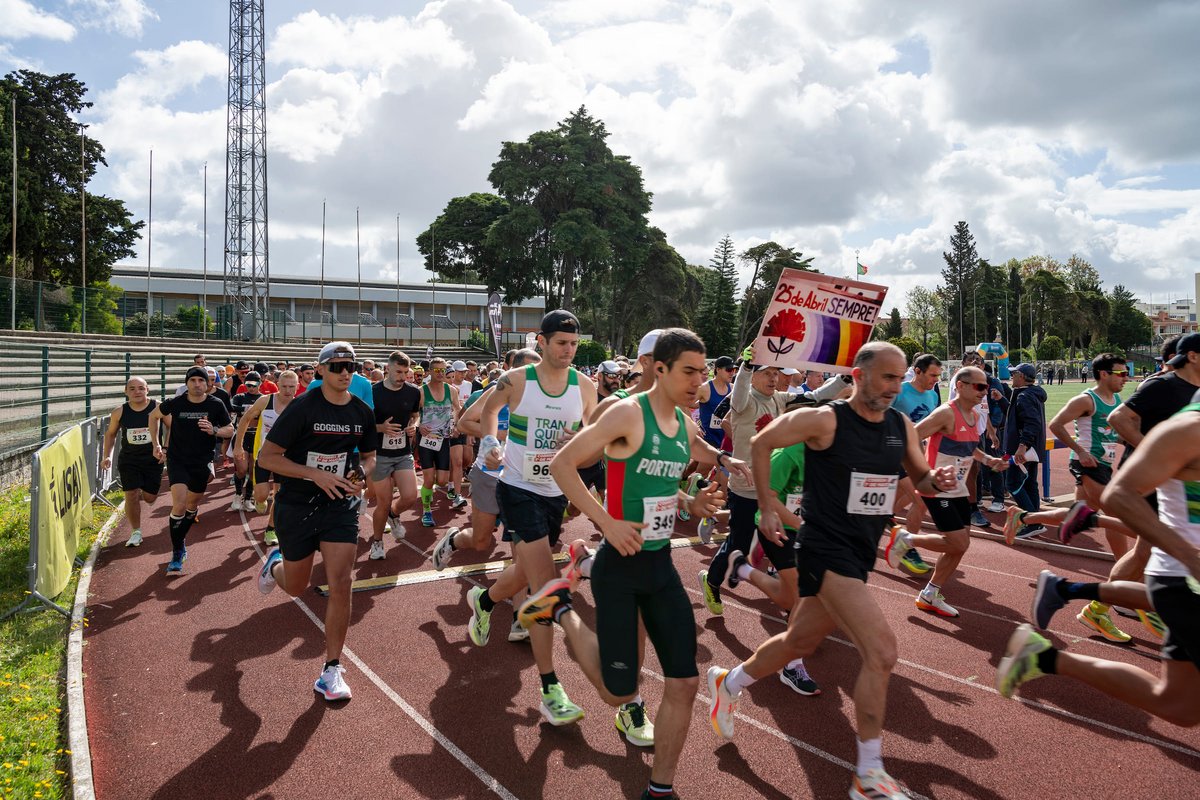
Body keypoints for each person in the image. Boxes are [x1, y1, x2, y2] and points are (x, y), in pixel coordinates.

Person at [706, 342, 957, 800]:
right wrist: (765, 508)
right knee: (881, 652)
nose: (894, 386)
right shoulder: (825, 419)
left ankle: (730, 681)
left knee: (799, 641)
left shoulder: (900, 425)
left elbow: (918, 476)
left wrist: (933, 482)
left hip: (860, 551)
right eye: (886, 377)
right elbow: (762, 443)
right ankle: (868, 774)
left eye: (899, 378)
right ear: (858, 376)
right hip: (824, 548)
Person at [522, 328, 733, 800]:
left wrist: (689, 505)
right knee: (619, 692)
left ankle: (660, 789)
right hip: (620, 564)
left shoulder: (684, 425)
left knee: (684, 681)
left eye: (703, 371)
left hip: (660, 567)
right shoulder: (626, 413)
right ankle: (558, 607)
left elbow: (658, 487)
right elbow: (562, 464)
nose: (700, 380)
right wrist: (606, 522)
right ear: (659, 368)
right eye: (690, 371)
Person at [996, 388, 1200, 729]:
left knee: (1178, 707)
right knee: (1126, 543)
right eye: (1117, 372)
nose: (1121, 377)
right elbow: (1120, 492)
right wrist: (1189, 557)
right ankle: (1066, 556)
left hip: (1176, 568)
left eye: (1124, 373)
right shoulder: (1188, 426)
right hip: (1182, 572)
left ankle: (1049, 645)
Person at [476, 310, 597, 726]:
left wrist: (577, 441)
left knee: (526, 573)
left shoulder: (585, 387)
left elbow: (593, 444)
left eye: (574, 344)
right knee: (544, 585)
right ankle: (550, 688)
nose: (568, 351)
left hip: (554, 492)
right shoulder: (517, 380)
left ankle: (485, 599)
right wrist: (491, 441)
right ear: (541, 342)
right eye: (561, 342)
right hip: (517, 488)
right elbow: (488, 411)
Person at [256, 341, 377, 702]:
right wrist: (313, 475)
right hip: (296, 503)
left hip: (339, 503)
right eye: (337, 366)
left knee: (342, 582)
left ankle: (331, 668)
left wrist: (361, 474)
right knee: (296, 586)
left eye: (350, 367)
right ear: (321, 369)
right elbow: (268, 457)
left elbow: (370, 458)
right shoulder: (301, 409)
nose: (345, 373)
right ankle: (275, 565)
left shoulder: (362, 411)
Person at [885, 366, 1009, 617]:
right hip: (936, 487)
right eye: (979, 386)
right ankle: (906, 540)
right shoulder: (945, 414)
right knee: (958, 541)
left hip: (959, 488)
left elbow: (970, 449)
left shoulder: (974, 416)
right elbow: (912, 437)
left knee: (960, 546)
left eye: (986, 386)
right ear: (960, 386)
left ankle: (930, 593)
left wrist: (988, 460)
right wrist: (923, 472)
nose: (984, 392)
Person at [699, 346, 796, 616]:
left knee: (778, 543)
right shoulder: (743, 402)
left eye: (776, 373)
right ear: (754, 376)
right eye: (767, 373)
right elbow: (739, 392)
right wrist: (747, 366)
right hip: (745, 488)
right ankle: (713, 581)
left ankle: (791, 599)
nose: (773, 379)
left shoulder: (779, 399)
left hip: (772, 489)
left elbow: (815, 397)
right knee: (738, 543)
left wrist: (843, 381)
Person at [149, 367, 234, 574]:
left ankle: (181, 540)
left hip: (202, 461)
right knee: (179, 505)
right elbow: (153, 415)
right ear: (186, 383)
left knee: (191, 505)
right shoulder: (176, 402)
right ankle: (177, 551)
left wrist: (213, 430)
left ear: (208, 384)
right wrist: (156, 444)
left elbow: (230, 429)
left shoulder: (215, 404)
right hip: (178, 460)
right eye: (193, 380)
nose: (197, 384)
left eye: (201, 380)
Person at [234, 370, 301, 546]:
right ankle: (258, 498)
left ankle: (271, 529)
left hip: (285, 459)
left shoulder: (300, 405)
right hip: (263, 455)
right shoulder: (265, 400)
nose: (288, 390)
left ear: (297, 386)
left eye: (291, 387)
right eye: (284, 386)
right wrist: (238, 446)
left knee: (280, 496)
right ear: (277, 385)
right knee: (263, 496)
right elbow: (245, 420)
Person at [366, 352, 421, 559]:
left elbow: (415, 415)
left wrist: (413, 426)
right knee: (384, 501)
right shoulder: (373, 392)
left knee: (409, 497)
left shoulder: (413, 392)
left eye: (406, 372)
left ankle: (394, 515)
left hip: (402, 452)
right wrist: (381, 428)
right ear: (387, 369)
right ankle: (377, 542)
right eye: (399, 372)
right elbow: (363, 425)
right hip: (379, 454)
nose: (403, 376)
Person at [101, 377, 163, 547]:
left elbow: (172, 425)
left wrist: (165, 449)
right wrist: (107, 455)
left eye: (141, 388)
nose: (137, 392)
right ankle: (136, 531)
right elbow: (111, 434)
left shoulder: (158, 407)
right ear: (126, 391)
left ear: (147, 389)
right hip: (129, 459)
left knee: (150, 498)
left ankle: (140, 494)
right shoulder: (119, 412)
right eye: (133, 388)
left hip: (153, 459)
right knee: (131, 494)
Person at [1002, 363, 1047, 539]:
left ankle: (1032, 522)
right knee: (1030, 484)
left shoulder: (1024, 397)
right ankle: (1036, 520)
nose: (1012, 376)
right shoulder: (1032, 394)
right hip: (1033, 449)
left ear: (1021, 376)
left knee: (1012, 484)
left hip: (1024, 450)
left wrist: (1022, 445)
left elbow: (1031, 423)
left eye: (1014, 374)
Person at [415, 357, 463, 526]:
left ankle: (431, 491)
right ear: (430, 372)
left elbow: (458, 409)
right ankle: (426, 511)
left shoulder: (451, 390)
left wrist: (455, 424)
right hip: (426, 439)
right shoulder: (421, 391)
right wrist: (419, 425)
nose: (440, 373)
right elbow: (413, 416)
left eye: (443, 370)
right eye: (437, 370)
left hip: (443, 438)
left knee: (441, 481)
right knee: (428, 479)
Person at [695, 355, 735, 451]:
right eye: (729, 370)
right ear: (718, 369)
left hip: (724, 438)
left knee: (696, 465)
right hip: (707, 439)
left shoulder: (733, 388)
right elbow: (683, 404)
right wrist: (694, 426)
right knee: (710, 464)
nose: (732, 373)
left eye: (734, 370)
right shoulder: (704, 388)